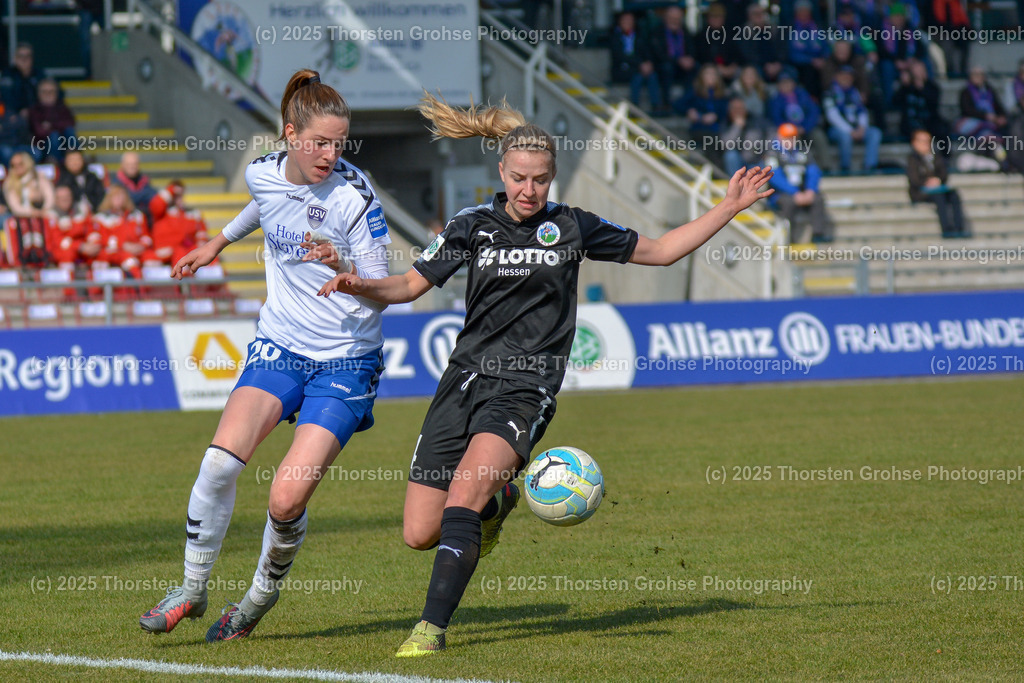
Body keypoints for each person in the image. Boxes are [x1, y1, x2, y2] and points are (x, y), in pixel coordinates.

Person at [316, 93, 773, 657]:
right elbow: (408, 287)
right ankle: (499, 505)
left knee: (462, 499)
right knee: (419, 531)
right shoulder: (471, 225)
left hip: (525, 387)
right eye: (520, 178)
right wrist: (358, 281)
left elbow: (659, 251)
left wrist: (728, 207)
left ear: (553, 177)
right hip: (462, 382)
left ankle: (429, 630)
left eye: (541, 180)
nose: (530, 191)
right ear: (501, 171)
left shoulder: (574, 228)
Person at [138, 69, 392, 643]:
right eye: (319, 142)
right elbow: (264, 204)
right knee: (220, 464)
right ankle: (192, 589)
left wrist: (342, 268)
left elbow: (384, 289)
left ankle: (257, 597)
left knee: (284, 497)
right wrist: (216, 242)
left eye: (339, 143)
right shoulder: (261, 172)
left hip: (346, 359)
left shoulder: (355, 196)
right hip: (279, 345)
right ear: (289, 135)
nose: (331, 153)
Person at [763, 123, 835, 244]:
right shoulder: (772, 152)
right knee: (788, 203)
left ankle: (818, 234)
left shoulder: (802, 150)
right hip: (780, 194)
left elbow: (813, 170)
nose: (790, 141)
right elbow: (774, 176)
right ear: (779, 137)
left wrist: (811, 190)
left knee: (818, 199)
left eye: (792, 137)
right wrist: (794, 192)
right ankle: (787, 238)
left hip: (802, 191)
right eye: (787, 137)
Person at [906, 129, 968, 238]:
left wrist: (938, 180)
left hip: (938, 188)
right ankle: (947, 230)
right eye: (922, 141)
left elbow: (943, 173)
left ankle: (959, 228)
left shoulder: (935, 155)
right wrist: (927, 182)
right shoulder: (912, 159)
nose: (926, 144)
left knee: (953, 195)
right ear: (915, 143)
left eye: (928, 141)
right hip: (920, 192)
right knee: (939, 197)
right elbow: (914, 179)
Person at [823, 66, 882, 174]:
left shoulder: (855, 92)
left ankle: (869, 166)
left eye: (849, 76)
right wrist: (850, 131)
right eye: (844, 75)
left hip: (856, 128)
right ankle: (845, 168)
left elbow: (862, 111)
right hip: (837, 130)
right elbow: (832, 116)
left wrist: (862, 127)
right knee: (845, 137)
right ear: (837, 76)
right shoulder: (830, 92)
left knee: (875, 133)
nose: (847, 78)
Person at [609, 12, 662, 113]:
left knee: (652, 75)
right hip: (622, 70)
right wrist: (639, 65)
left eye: (630, 20)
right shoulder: (614, 37)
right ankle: (635, 107)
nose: (627, 23)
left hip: (638, 68)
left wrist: (648, 63)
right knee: (637, 76)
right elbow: (619, 56)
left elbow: (646, 52)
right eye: (625, 20)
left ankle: (656, 106)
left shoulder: (640, 36)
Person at [28, 78, 77, 162]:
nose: (48, 94)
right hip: (42, 145)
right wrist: (57, 127)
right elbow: (39, 131)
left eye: (51, 91)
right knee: (54, 136)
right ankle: (54, 162)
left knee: (69, 132)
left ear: (56, 93)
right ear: (38, 93)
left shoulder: (62, 107)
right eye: (44, 92)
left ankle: (76, 158)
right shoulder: (34, 110)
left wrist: (51, 125)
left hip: (63, 142)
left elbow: (71, 123)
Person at [675, 64, 730, 138]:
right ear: (702, 76)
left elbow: (726, 111)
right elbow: (677, 104)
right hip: (699, 128)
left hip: (718, 129)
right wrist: (689, 111)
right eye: (707, 73)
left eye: (713, 74)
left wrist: (716, 116)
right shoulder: (695, 92)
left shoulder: (722, 94)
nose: (711, 76)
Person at [3, 150, 54, 217]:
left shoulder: (39, 177)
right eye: (13, 165)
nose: (17, 167)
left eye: (20, 163)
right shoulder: (9, 183)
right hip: (21, 216)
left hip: (43, 212)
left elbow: (50, 197)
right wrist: (32, 212)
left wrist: (45, 210)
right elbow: (15, 207)